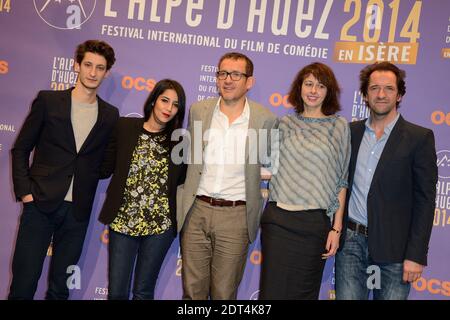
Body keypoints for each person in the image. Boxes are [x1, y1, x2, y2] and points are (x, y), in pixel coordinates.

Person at [9, 40, 118, 300]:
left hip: (77, 213)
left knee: (60, 289)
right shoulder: (48, 101)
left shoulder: (109, 115)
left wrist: (85, 177)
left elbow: (106, 165)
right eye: (88, 65)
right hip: (39, 206)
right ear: (76, 65)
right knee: (23, 285)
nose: (93, 72)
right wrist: (26, 194)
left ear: (107, 73)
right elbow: (21, 149)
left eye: (100, 68)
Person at [335, 61, 438, 300]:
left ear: (399, 94)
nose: (381, 95)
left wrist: (416, 255)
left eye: (389, 88)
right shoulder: (350, 133)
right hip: (351, 245)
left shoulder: (419, 138)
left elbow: (425, 201)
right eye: (374, 88)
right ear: (365, 94)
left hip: (396, 251)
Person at [177, 52, 276, 300]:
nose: (227, 80)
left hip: (236, 216)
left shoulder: (265, 119)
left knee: (223, 294)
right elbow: (188, 159)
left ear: (249, 82)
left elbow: (271, 166)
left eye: (235, 74)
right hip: (196, 210)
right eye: (222, 73)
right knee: (192, 292)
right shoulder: (199, 111)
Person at [259, 62, 350, 300]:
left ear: (328, 91)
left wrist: (336, 228)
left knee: (303, 294)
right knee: (272, 294)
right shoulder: (284, 123)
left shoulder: (338, 127)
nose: (313, 90)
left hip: (313, 225)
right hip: (278, 222)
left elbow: (342, 180)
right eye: (308, 84)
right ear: (299, 88)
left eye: (320, 86)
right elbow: (267, 167)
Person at [98, 79, 187, 300]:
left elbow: (185, 183)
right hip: (123, 221)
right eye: (164, 100)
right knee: (117, 292)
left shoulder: (181, 142)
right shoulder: (125, 127)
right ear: (153, 100)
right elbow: (104, 167)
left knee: (143, 292)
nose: (168, 108)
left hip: (160, 227)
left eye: (175, 104)